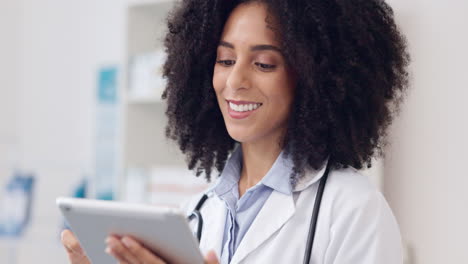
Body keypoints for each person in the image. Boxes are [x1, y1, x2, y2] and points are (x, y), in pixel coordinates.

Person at [61, 0, 410, 263]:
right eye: (225, 60)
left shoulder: (351, 208)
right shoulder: (196, 213)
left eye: (263, 64)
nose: (235, 81)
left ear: (313, 75)